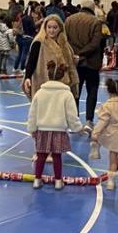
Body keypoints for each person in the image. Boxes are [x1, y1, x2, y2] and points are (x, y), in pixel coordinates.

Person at [27, 60, 84, 190]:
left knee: (41, 155)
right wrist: (78, 127)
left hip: (42, 129)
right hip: (59, 130)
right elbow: (72, 114)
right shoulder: (66, 94)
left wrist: (32, 129)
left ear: (48, 74)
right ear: (63, 76)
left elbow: (33, 113)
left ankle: (37, 180)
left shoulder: (40, 93)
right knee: (57, 156)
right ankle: (58, 181)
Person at [64, 5, 104, 129]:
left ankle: (74, 122)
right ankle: (89, 121)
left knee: (75, 91)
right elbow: (95, 43)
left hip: (74, 62)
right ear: (92, 9)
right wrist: (82, 54)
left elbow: (65, 40)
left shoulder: (69, 20)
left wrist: (75, 54)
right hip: (91, 62)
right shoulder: (96, 22)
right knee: (92, 91)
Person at [22, 15, 78, 100]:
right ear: (45, 27)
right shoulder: (38, 42)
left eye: (55, 28)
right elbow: (31, 61)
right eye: (49, 27)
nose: (51, 30)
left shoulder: (65, 44)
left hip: (63, 85)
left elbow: (69, 62)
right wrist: (27, 77)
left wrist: (74, 59)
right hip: (43, 82)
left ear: (60, 28)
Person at [89, 77, 118, 192]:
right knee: (113, 160)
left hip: (109, 134)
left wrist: (95, 133)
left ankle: (95, 147)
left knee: (97, 135)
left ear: (108, 91)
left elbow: (102, 122)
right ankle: (111, 182)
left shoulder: (107, 105)